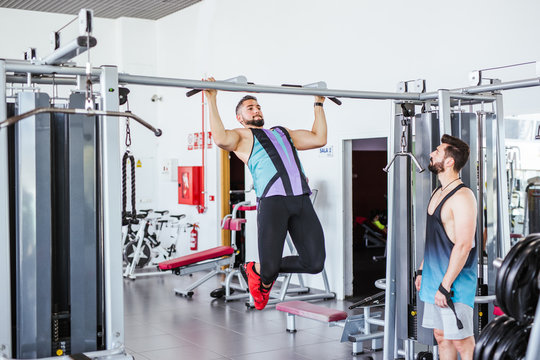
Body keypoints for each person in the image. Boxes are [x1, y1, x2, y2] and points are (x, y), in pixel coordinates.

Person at [203, 77, 327, 310]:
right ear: (240, 118)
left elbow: (319, 138)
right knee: (269, 270)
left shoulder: (282, 132)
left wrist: (318, 104)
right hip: (273, 204)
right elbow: (219, 138)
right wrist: (211, 98)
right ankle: (259, 270)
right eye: (250, 108)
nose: (256, 110)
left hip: (301, 201)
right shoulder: (242, 137)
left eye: (258, 106)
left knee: (315, 263)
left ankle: (256, 270)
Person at [416, 134, 478, 360]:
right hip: (435, 279)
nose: (432, 154)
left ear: (450, 161)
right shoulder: (437, 192)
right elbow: (435, 239)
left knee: (463, 342)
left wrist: (445, 285)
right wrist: (423, 269)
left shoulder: (463, 196)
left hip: (454, 285)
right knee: (441, 336)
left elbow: (463, 245)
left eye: (438, 151)